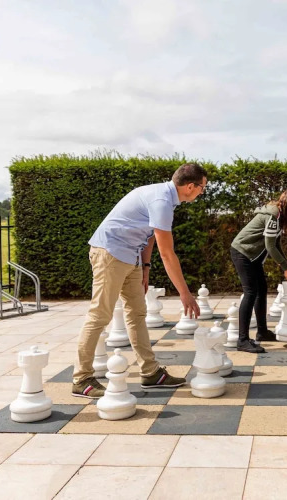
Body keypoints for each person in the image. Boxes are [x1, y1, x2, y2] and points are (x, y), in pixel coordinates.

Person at [72, 163, 206, 398]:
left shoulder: (166, 198)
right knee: (99, 315)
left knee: (137, 313)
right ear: (190, 186)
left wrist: (145, 268)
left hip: (130, 256)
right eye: (202, 188)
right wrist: (185, 294)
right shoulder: (161, 201)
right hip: (110, 253)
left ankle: (150, 372)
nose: (202, 192)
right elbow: (167, 254)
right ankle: (81, 379)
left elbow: (150, 236)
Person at [230, 188, 287, 353]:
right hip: (243, 252)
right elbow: (269, 246)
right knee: (250, 292)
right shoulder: (273, 216)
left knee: (261, 290)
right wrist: (285, 267)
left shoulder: (279, 216)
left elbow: (276, 244)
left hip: (252, 256)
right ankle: (242, 340)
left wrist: (286, 265)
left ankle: (262, 331)